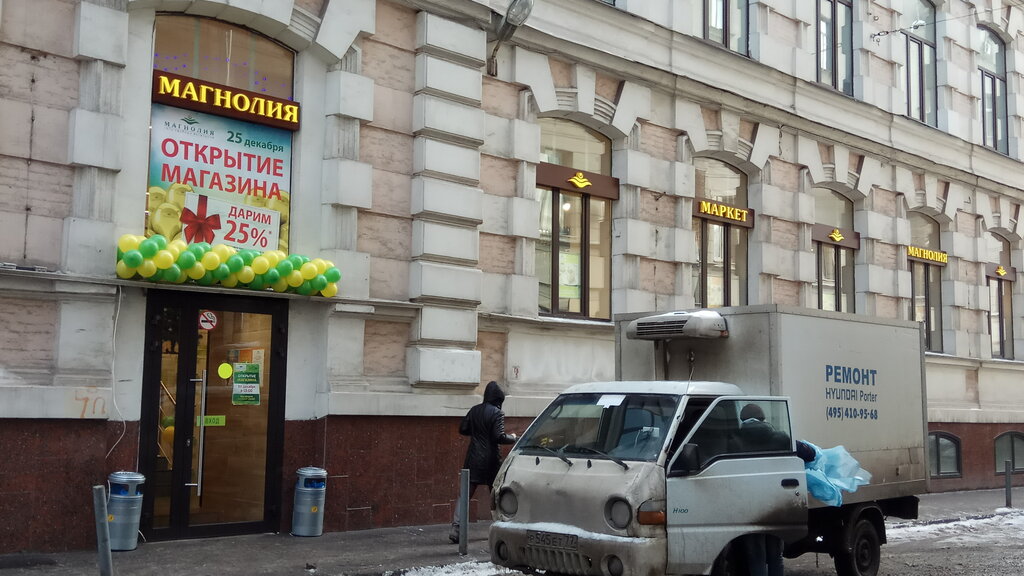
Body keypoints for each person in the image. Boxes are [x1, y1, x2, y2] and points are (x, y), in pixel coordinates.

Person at [449, 380, 517, 544]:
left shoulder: (474, 410)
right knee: (495, 494)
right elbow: (498, 437)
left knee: (465, 494)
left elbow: (463, 429)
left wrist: (478, 430)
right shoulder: (497, 413)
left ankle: (456, 529)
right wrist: (514, 438)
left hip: (473, 458)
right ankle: (500, 527)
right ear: (498, 399)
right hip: (491, 460)